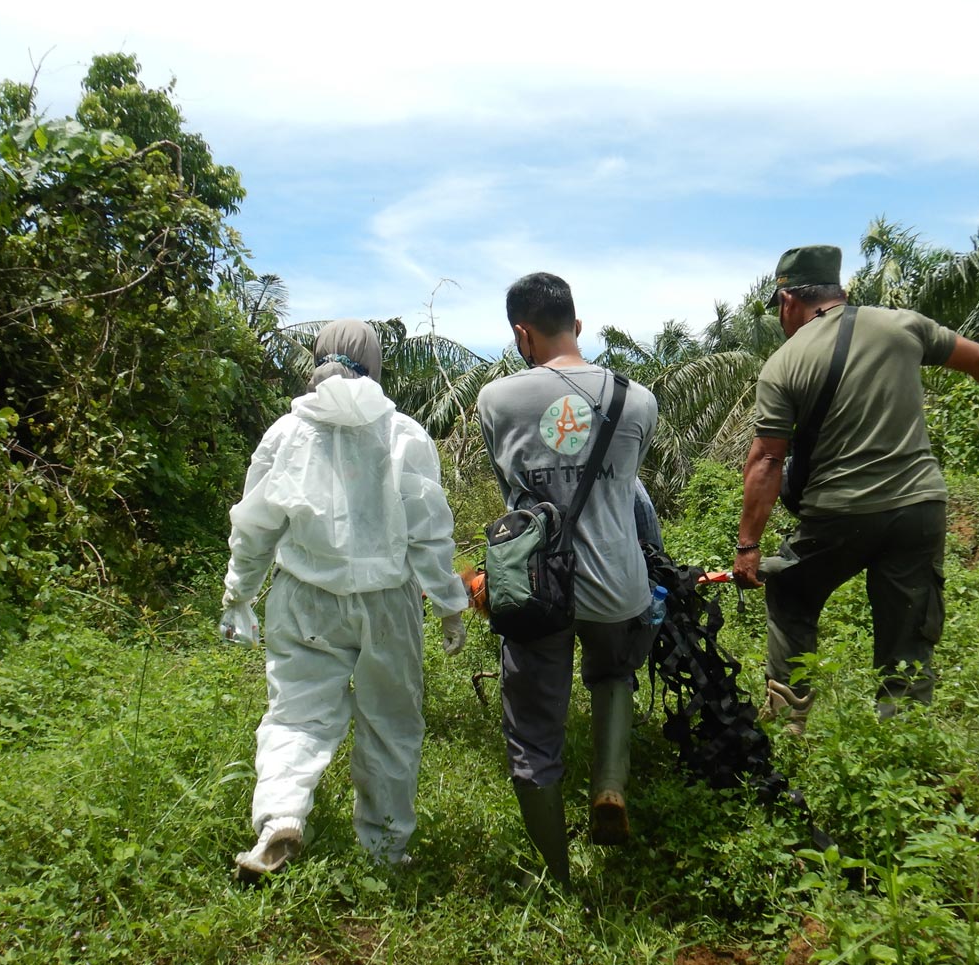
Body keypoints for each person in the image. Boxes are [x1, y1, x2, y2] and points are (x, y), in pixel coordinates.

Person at [731, 245, 979, 729]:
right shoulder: (903, 325)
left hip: (839, 514)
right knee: (907, 629)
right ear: (842, 293)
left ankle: (790, 722)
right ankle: (904, 735)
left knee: (789, 591)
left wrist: (749, 546)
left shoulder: (784, 363)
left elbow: (768, 459)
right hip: (919, 507)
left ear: (788, 300)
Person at [219, 319, 469, 878]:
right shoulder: (403, 432)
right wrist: (449, 605)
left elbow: (255, 526)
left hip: (305, 598)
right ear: (377, 364)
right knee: (390, 722)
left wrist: (238, 594)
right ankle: (385, 851)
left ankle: (280, 817)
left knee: (296, 713)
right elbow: (429, 531)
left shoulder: (286, 432)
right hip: (387, 604)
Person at [476, 272, 659, 889]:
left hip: (537, 589)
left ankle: (557, 876)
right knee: (612, 674)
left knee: (533, 729)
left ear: (522, 333)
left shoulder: (496, 399)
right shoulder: (638, 399)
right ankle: (609, 787)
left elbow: (514, 496)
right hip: (619, 585)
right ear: (577, 325)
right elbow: (626, 487)